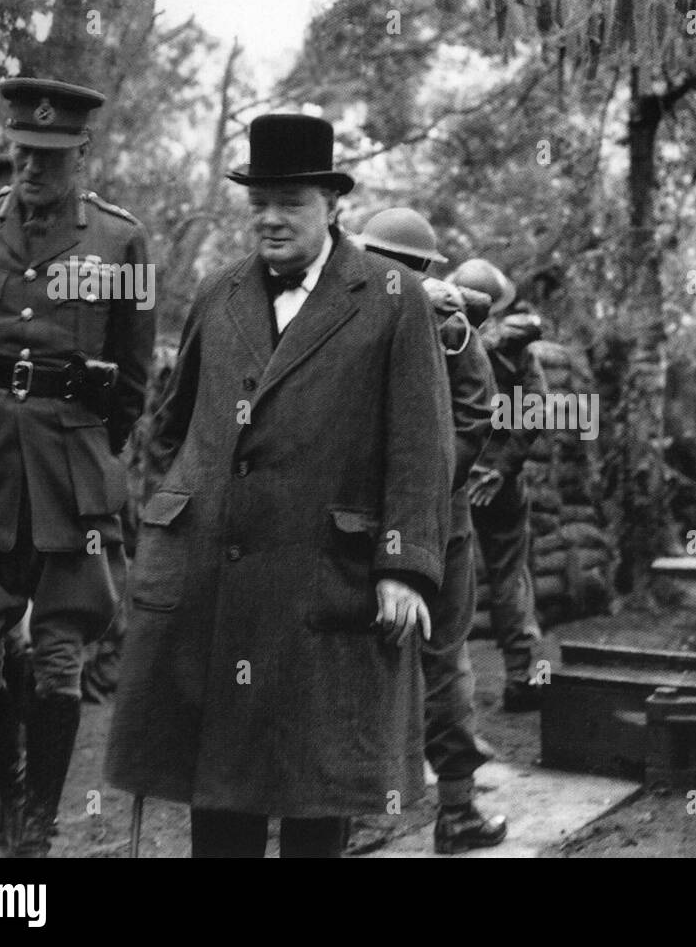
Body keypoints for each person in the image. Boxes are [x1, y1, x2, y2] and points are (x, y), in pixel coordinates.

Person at [105, 114, 454, 858]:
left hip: (325, 582)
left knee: (314, 789)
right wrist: (169, 519)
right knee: (217, 787)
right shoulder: (216, 293)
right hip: (212, 583)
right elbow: (170, 424)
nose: (270, 218)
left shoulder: (394, 298)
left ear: (331, 204)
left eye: (290, 200)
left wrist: (405, 566)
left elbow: (422, 444)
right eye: (258, 200)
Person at [0, 77, 155, 857]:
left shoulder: (120, 241)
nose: (32, 168)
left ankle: (37, 824)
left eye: (50, 156)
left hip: (70, 473)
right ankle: (11, 784)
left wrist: (95, 453)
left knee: (60, 663)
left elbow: (132, 380)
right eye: (23, 152)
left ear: (81, 155)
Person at [356, 211, 510, 853]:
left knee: (352, 660)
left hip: (354, 519)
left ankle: (347, 814)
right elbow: (478, 411)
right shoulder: (448, 324)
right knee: (444, 657)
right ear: (425, 266)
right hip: (437, 521)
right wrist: (431, 478)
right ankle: (456, 813)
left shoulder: (340, 314)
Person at [464, 262, 547, 710]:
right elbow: (535, 408)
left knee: (441, 573)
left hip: (455, 475)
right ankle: (519, 675)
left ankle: (434, 686)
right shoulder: (517, 351)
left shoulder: (439, 340)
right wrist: (502, 468)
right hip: (501, 480)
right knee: (510, 574)